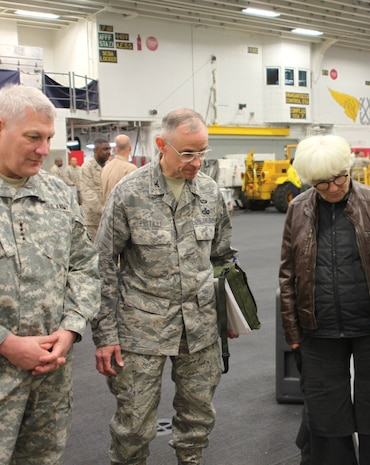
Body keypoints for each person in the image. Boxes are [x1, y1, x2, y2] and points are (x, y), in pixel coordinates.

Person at [92, 108, 237, 465]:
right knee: (134, 425)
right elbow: (103, 264)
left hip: (200, 327)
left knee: (197, 418)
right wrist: (105, 334)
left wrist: (229, 314)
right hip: (142, 328)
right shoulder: (130, 192)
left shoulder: (210, 192)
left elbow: (222, 257)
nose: (197, 162)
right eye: (187, 152)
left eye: (203, 151)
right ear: (162, 145)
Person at [279, 135, 370, 465]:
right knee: (326, 422)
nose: (332, 188)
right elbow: (287, 275)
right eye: (321, 182)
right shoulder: (297, 209)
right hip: (319, 334)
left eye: (338, 178)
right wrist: (293, 333)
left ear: (349, 169)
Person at [0, 84, 100, 464]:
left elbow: (85, 265)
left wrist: (71, 329)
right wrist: (3, 342)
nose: (45, 150)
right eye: (33, 137)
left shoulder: (58, 194)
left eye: (48, 137)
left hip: (50, 379)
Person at [79, 137, 111, 240]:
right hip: (93, 220)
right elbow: (87, 193)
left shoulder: (109, 166)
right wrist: (103, 210)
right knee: (94, 250)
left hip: (108, 219)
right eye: (105, 149)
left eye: (109, 149)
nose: (108, 152)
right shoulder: (87, 167)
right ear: (96, 150)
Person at [100, 133, 138, 202]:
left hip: (106, 211)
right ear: (130, 148)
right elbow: (134, 198)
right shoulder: (131, 169)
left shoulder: (105, 168)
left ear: (115, 149)